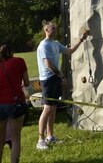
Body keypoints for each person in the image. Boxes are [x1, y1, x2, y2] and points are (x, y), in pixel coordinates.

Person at [36, 21, 89, 150]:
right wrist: (62, 76)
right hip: (47, 80)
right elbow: (49, 64)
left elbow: (70, 51)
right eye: (52, 28)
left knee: (53, 108)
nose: (55, 30)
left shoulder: (55, 43)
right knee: (47, 109)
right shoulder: (43, 45)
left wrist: (82, 39)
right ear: (46, 30)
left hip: (55, 78)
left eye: (55, 28)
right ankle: (40, 140)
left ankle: (50, 136)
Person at [0, 40, 30, 163]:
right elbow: (27, 83)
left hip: (0, 105)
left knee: (0, 141)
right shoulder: (19, 61)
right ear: (11, 52)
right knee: (15, 139)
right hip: (16, 103)